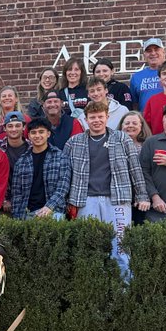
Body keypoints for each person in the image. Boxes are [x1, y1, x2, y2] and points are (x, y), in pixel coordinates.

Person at [64, 101, 149, 278]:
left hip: (117, 199)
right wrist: (66, 200)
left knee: (121, 247)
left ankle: (124, 291)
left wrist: (142, 195)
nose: (96, 120)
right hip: (85, 200)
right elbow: (66, 173)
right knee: (89, 247)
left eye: (100, 117)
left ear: (107, 117)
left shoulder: (121, 138)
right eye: (92, 117)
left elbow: (135, 168)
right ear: (86, 120)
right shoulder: (74, 142)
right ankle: (93, 290)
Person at [11, 118, 70, 219]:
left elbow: (63, 188)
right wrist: (17, 217)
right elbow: (16, 193)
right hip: (26, 213)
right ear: (29, 136)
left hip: (54, 211)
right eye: (33, 133)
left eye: (41, 132)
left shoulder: (61, 157)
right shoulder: (21, 162)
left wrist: (49, 207)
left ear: (48, 134)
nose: (37, 136)